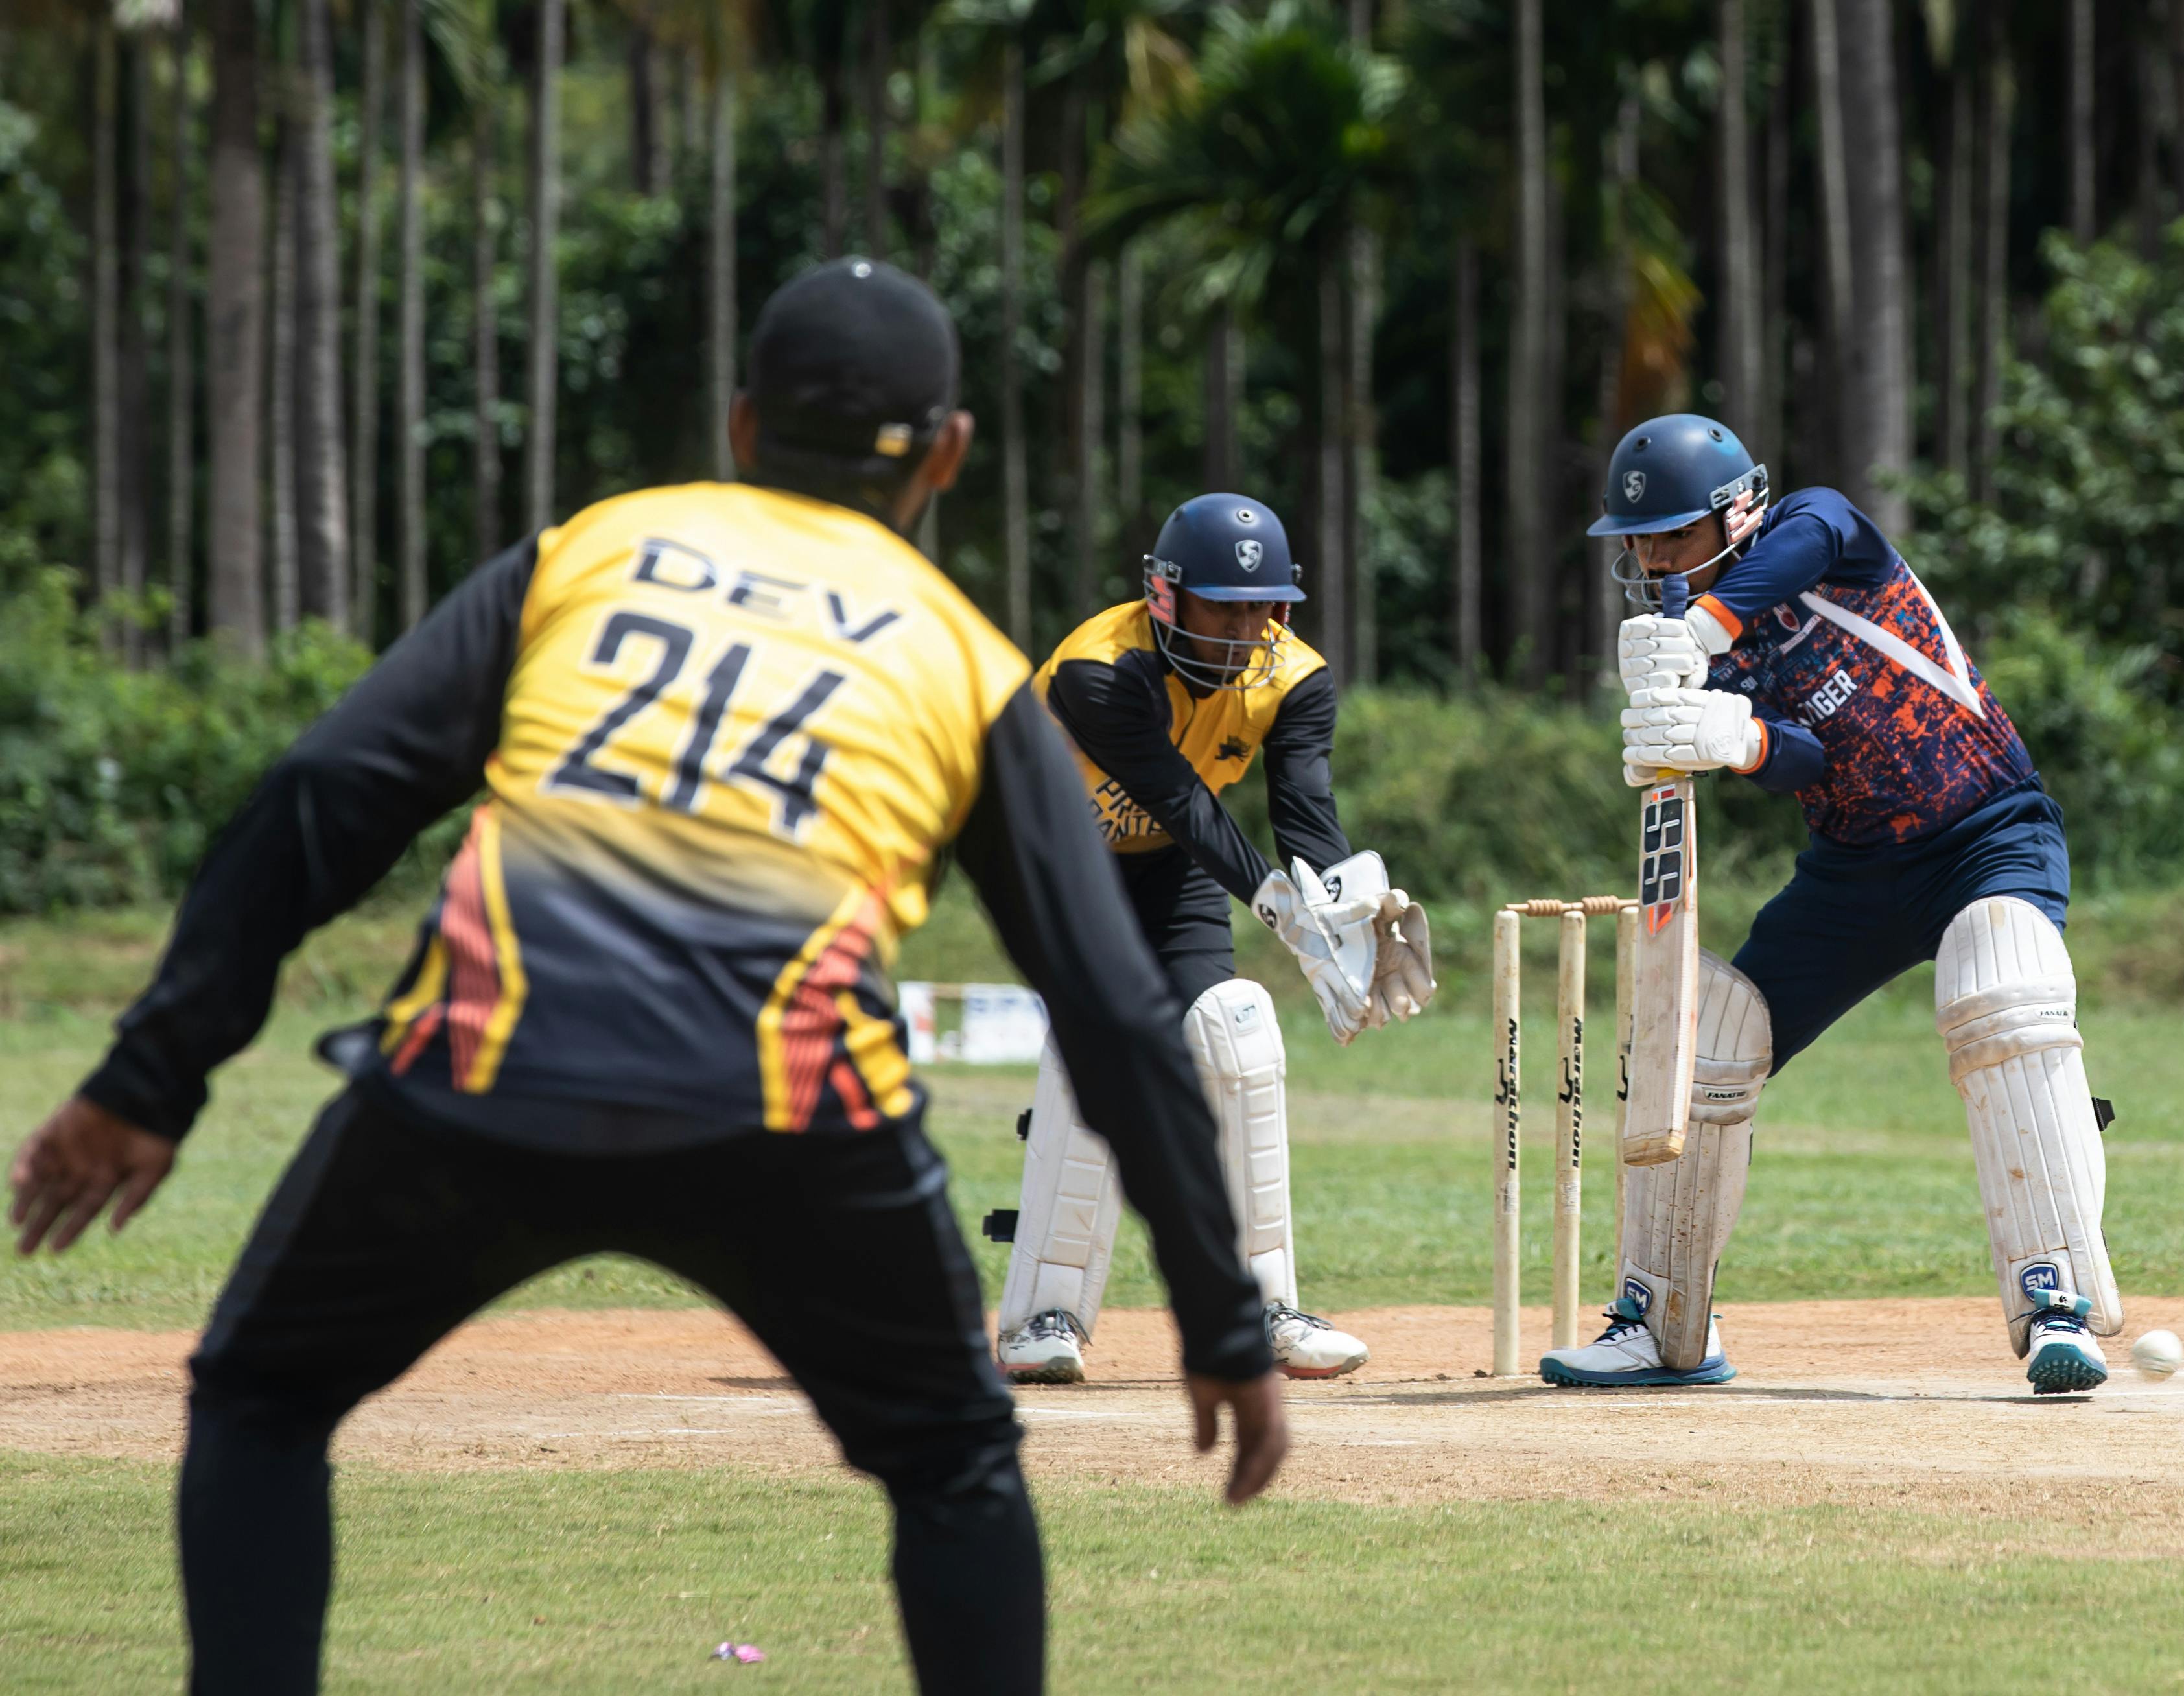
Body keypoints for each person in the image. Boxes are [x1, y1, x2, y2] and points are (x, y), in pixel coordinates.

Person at [6, 257, 1288, 1696]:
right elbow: (1112, 1006)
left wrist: (150, 1077)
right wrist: (1218, 1319)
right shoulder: (964, 659)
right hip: (789, 1115)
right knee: (951, 1468)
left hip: (489, 1067)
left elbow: (320, 798)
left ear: (741, 423)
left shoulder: (589, 553)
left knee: (262, 1397)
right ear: (947, 454)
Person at [1540, 412, 2122, 1396]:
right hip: (1851, 876)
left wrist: (1703, 629)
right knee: (1702, 1038)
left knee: (2002, 986)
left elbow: (1824, 525)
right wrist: (1731, 739)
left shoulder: (1818, 537)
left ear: (1738, 512)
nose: (1651, 560)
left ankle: (2055, 1305)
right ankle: (1662, 1326)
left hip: (1984, 834)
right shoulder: (1702, 655)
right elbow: (1803, 758)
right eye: (1636, 542)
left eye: (1672, 535)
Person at [991, 492, 1437, 1386]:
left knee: (1239, 1028)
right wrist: (1286, 919)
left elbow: (1305, 813)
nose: (1244, 630)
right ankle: (1041, 1317)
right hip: (1055, 857)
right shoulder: (1097, 670)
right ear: (1166, 597)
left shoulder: (1297, 677)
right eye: (1223, 607)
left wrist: (1347, 913)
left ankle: (1265, 1308)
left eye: (1261, 607)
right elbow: (1182, 802)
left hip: (1170, 869)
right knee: (1102, 1040)